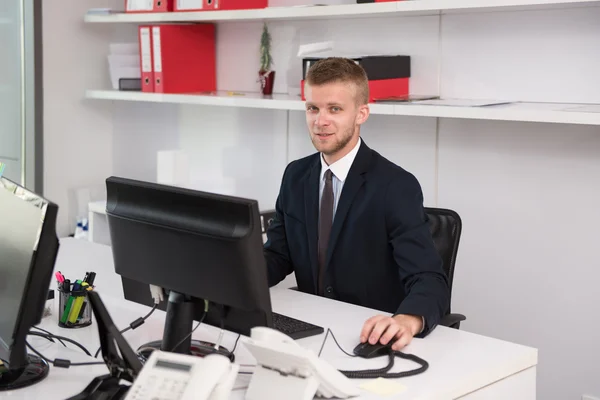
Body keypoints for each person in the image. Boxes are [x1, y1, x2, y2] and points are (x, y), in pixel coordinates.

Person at [263, 57, 450, 351]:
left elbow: (428, 278)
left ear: (362, 113)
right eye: (312, 108)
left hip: (366, 335)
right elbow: (277, 255)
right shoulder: (296, 175)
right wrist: (225, 279)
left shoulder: (396, 186)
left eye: (334, 109)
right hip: (312, 331)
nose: (319, 121)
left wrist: (407, 320)